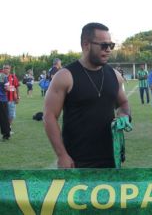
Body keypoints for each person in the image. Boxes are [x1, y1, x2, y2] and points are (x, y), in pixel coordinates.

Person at [43, 22, 130, 168]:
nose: (108, 50)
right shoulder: (65, 76)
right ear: (86, 44)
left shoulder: (114, 75)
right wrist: (62, 155)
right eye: (103, 45)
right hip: (77, 161)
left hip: (111, 159)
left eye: (111, 45)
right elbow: (49, 116)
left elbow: (123, 103)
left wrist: (124, 115)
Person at [2, 64, 20, 129]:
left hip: (11, 100)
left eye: (7, 68)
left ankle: (8, 128)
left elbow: (17, 87)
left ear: (10, 69)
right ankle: (6, 129)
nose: (5, 69)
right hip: (2, 100)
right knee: (3, 115)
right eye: (4, 68)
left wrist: (18, 97)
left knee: (11, 115)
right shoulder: (1, 77)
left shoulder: (13, 77)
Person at [0, 71, 10, 140]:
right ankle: (6, 134)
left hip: (2, 99)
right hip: (2, 99)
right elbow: (7, 88)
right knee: (4, 118)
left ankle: (6, 134)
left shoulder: (2, 76)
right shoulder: (3, 76)